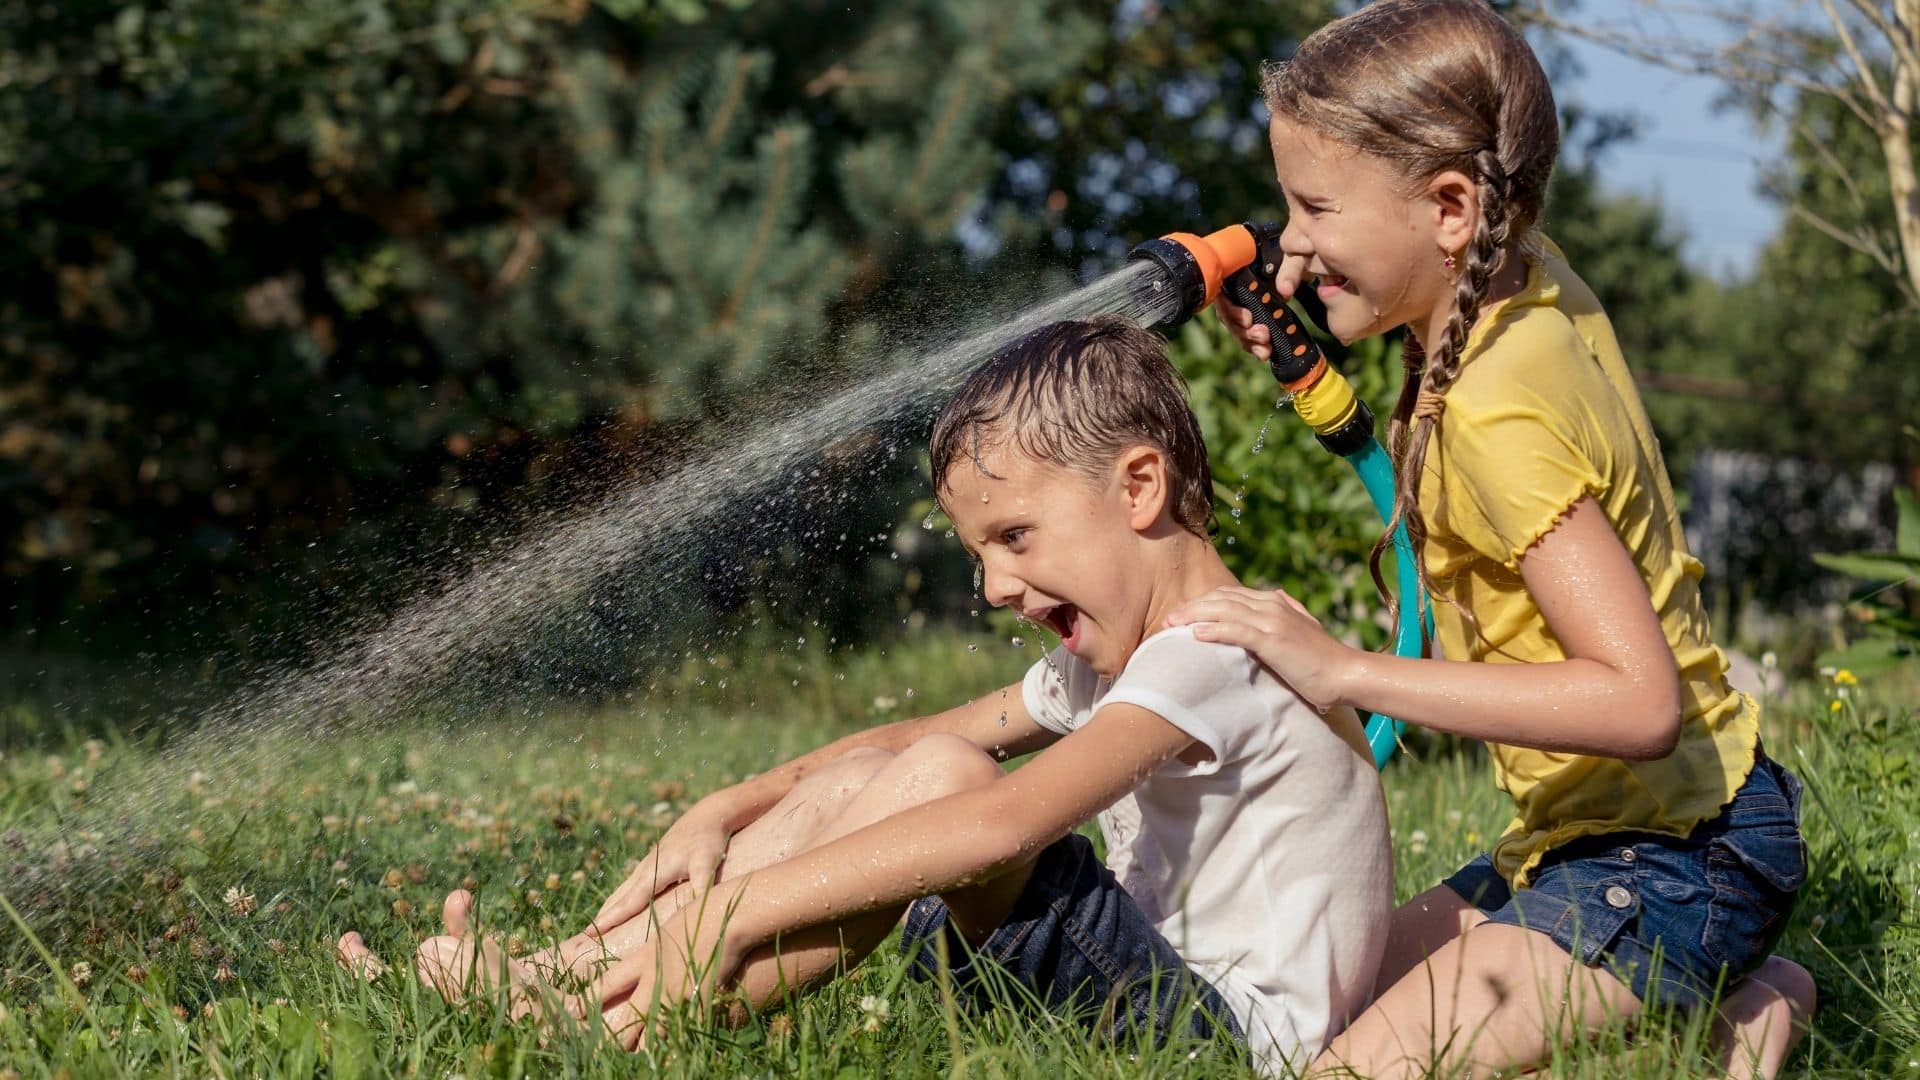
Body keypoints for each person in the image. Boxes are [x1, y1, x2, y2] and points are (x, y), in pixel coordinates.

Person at [339, 316, 1393, 1072]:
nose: (993, 586)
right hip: (1123, 977)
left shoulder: (1213, 652)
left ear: (1138, 486)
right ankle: (569, 976)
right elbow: (904, 739)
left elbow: (1001, 826)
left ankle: (598, 1014)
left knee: (947, 786)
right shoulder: (1122, 658)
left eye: (1015, 538)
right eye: (980, 551)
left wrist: (722, 914)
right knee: (883, 770)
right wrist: (732, 804)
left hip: (1210, 1040)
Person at [1171, 2, 1815, 1078]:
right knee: (1305, 1008)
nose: (1292, 241)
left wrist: (1342, 671)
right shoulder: (1516, 282)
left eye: (1315, 207)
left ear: (1456, 206)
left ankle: (1725, 985)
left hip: (1678, 857)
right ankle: (1738, 1002)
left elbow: (1638, 702)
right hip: (1590, 839)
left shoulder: (1497, 411)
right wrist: (1317, 330)